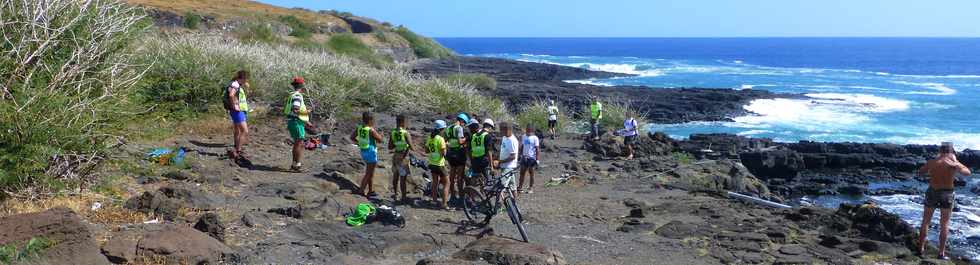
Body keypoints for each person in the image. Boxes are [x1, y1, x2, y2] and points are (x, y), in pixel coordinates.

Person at [917, 142, 972, 259]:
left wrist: (931, 173)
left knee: (926, 221)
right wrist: (956, 162)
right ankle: (941, 253)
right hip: (947, 193)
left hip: (932, 191)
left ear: (940, 151)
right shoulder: (952, 164)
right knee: (944, 223)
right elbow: (967, 173)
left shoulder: (932, 162)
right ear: (951, 152)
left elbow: (920, 172)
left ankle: (920, 249)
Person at [350, 111, 384, 197]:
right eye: (373, 120)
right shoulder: (371, 130)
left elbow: (352, 137)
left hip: (363, 151)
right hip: (371, 152)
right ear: (370, 120)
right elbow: (380, 140)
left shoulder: (360, 128)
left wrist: (359, 142)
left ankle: (371, 190)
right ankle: (361, 190)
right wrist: (381, 135)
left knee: (370, 172)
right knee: (368, 173)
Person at [285, 77, 314, 172]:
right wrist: (307, 112)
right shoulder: (297, 96)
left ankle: (295, 164)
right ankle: (296, 165)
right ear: (302, 86)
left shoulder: (292, 95)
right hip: (296, 122)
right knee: (299, 144)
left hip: (294, 122)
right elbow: (296, 109)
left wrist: (307, 122)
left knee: (298, 143)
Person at [387, 114, 414, 202]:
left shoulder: (393, 132)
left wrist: (397, 143)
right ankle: (403, 196)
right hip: (403, 157)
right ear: (403, 122)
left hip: (396, 156)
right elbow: (411, 146)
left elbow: (390, 147)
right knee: (403, 177)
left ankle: (395, 194)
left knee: (395, 175)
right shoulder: (405, 133)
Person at [226, 70, 251, 163]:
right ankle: (237, 151)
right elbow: (231, 95)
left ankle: (236, 148)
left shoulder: (235, 84)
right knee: (245, 131)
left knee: (237, 130)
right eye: (246, 79)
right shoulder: (236, 84)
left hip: (237, 111)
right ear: (242, 78)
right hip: (237, 111)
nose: (246, 81)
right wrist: (234, 106)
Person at [444, 113, 469, 203]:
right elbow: (460, 141)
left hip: (451, 153)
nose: (464, 125)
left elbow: (445, 140)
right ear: (462, 121)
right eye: (464, 123)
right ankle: (461, 197)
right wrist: (466, 138)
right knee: (459, 177)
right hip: (459, 153)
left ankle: (453, 196)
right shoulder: (459, 128)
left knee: (452, 175)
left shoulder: (449, 128)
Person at [426, 120, 451, 210]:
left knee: (435, 182)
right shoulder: (440, 139)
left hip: (432, 163)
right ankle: (444, 204)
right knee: (447, 183)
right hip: (440, 164)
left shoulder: (430, 138)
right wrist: (446, 146)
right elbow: (444, 153)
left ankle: (434, 200)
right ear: (441, 129)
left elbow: (427, 150)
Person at [467, 119, 494, 187]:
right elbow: (489, 151)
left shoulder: (473, 136)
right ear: (490, 127)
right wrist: (491, 166)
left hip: (475, 161)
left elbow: (469, 150)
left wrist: (471, 162)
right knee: (487, 180)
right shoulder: (487, 135)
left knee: (475, 178)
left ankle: (471, 195)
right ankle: (485, 194)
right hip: (484, 161)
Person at [496, 122, 520, 192]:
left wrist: (499, 161)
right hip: (504, 166)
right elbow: (503, 150)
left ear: (506, 130)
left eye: (501, 130)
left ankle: (499, 202)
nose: (500, 132)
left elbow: (513, 157)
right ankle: (514, 202)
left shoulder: (512, 140)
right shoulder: (504, 137)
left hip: (508, 167)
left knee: (501, 187)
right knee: (512, 186)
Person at [518, 125, 540, 194]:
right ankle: (520, 187)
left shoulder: (535, 138)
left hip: (531, 158)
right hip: (524, 157)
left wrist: (537, 159)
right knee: (522, 173)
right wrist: (520, 155)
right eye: (527, 130)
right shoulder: (524, 136)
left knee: (531, 173)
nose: (528, 131)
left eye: (529, 130)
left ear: (532, 130)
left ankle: (530, 188)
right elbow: (522, 146)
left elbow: (537, 149)